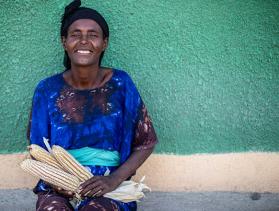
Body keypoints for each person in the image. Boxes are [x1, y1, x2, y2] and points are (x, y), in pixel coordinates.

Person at [27, 0, 158, 210]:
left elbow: (146, 143)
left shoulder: (121, 84)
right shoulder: (47, 89)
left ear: (104, 43)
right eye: (75, 34)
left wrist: (114, 179)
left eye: (93, 35)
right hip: (58, 185)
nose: (84, 41)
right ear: (64, 41)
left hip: (110, 185)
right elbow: (37, 149)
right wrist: (59, 181)